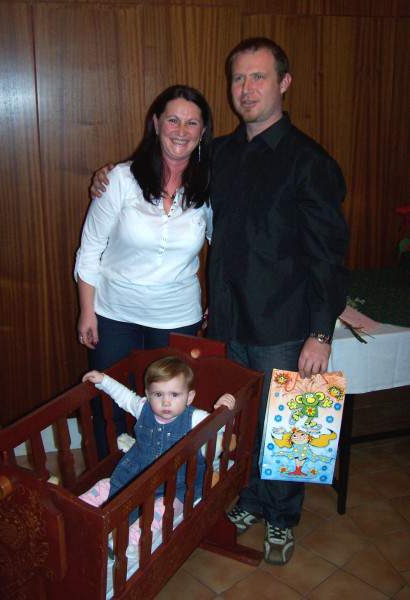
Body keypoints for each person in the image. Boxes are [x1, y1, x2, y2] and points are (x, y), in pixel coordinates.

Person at [89, 37, 349, 566]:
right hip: (229, 323)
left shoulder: (310, 162)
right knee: (240, 424)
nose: (247, 89)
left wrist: (321, 332)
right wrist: (107, 176)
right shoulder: (220, 155)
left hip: (288, 324)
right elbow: (164, 172)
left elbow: (329, 255)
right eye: (238, 78)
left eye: (259, 77)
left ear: (284, 83)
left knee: (293, 424)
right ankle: (249, 500)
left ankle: (283, 517)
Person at [75, 85, 213, 458]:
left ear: (202, 132)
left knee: (168, 413)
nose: (181, 131)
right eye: (172, 120)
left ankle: (158, 483)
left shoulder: (209, 187)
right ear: (156, 123)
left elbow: (225, 248)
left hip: (176, 319)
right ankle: (110, 479)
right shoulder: (120, 180)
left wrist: (216, 301)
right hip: (113, 315)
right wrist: (87, 311)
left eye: (191, 123)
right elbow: (90, 249)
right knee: (108, 409)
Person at [78, 356, 236, 507]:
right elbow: (124, 396)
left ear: (189, 397)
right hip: (136, 474)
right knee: (107, 487)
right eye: (158, 394)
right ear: (148, 395)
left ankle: (143, 525)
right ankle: (82, 511)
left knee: (164, 507)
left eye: (174, 394)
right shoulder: (143, 408)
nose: (166, 402)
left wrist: (222, 412)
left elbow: (222, 427)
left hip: (176, 483)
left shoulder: (195, 417)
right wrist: (103, 380)